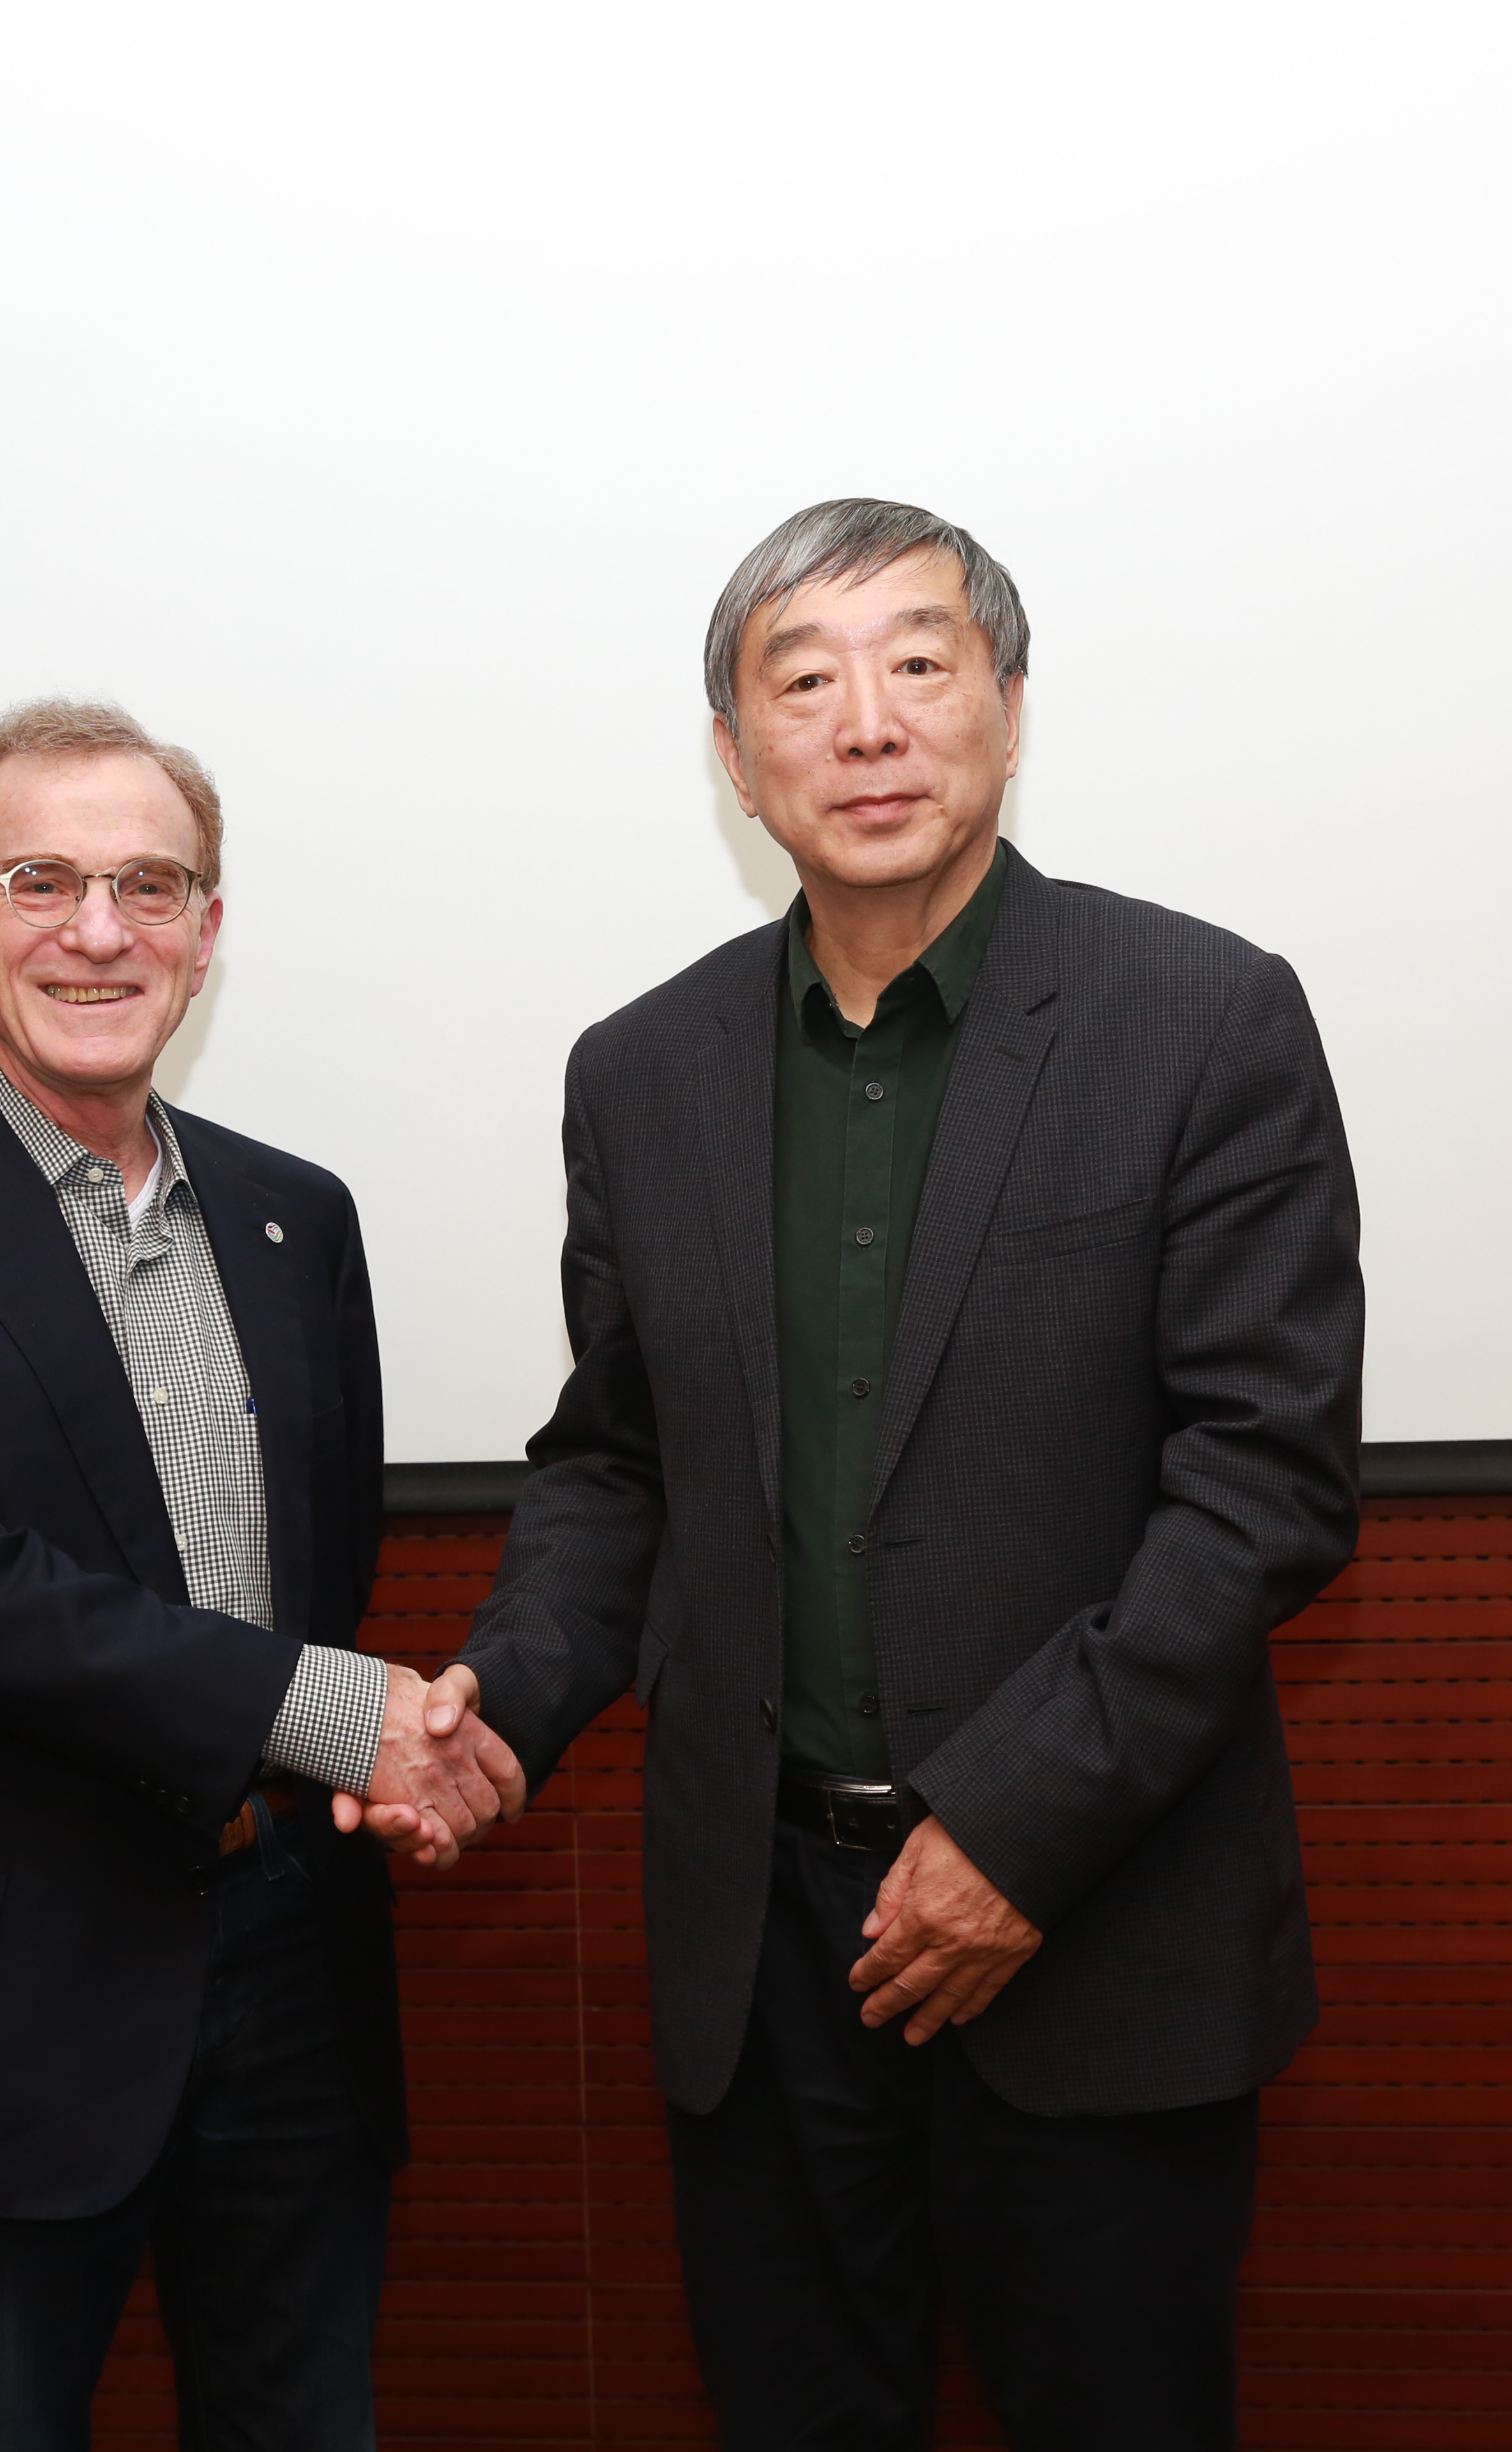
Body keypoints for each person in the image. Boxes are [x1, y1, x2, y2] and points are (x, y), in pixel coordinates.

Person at [454, 501, 1365, 2449]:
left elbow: (1263, 1484)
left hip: (1096, 1921)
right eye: (804, 681)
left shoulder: (1202, 1018)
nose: (866, 723)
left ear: (1008, 709)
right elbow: (618, 1464)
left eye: (920, 665)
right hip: (762, 1945)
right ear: (737, 758)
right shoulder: (641, 1070)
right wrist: (502, 1706)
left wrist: (1014, 1831)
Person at [0, 697, 518, 2450]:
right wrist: (357, 1721)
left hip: (298, 1960)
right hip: (17, 1995)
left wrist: (373, 1739)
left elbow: (331, 1564)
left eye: (150, 886)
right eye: (40, 881)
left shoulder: (298, 1216)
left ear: (206, 933)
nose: (101, 931)